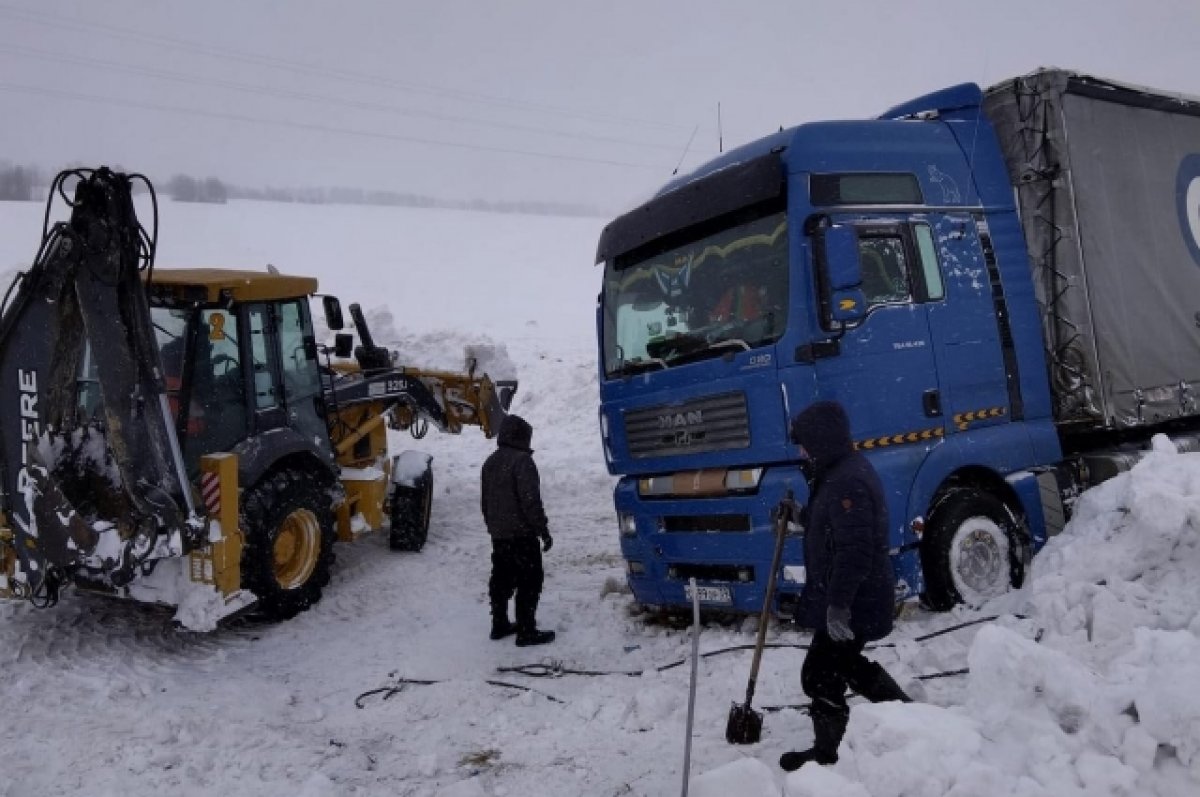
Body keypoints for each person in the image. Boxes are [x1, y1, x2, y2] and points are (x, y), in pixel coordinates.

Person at [780, 400, 911, 772]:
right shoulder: (839, 473)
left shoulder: (846, 481)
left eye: (804, 443)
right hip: (857, 596)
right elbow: (832, 527)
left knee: (819, 673)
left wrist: (838, 607)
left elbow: (854, 551)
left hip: (856, 600)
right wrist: (799, 516)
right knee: (844, 665)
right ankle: (908, 716)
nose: (801, 451)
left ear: (821, 441)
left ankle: (827, 753)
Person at [481, 414, 555, 647]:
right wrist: (542, 530)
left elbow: (485, 502)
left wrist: (493, 526)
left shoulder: (490, 462)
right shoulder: (522, 461)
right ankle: (526, 630)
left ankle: (499, 623)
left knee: (501, 578)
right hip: (522, 533)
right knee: (529, 580)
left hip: (499, 534)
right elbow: (530, 500)